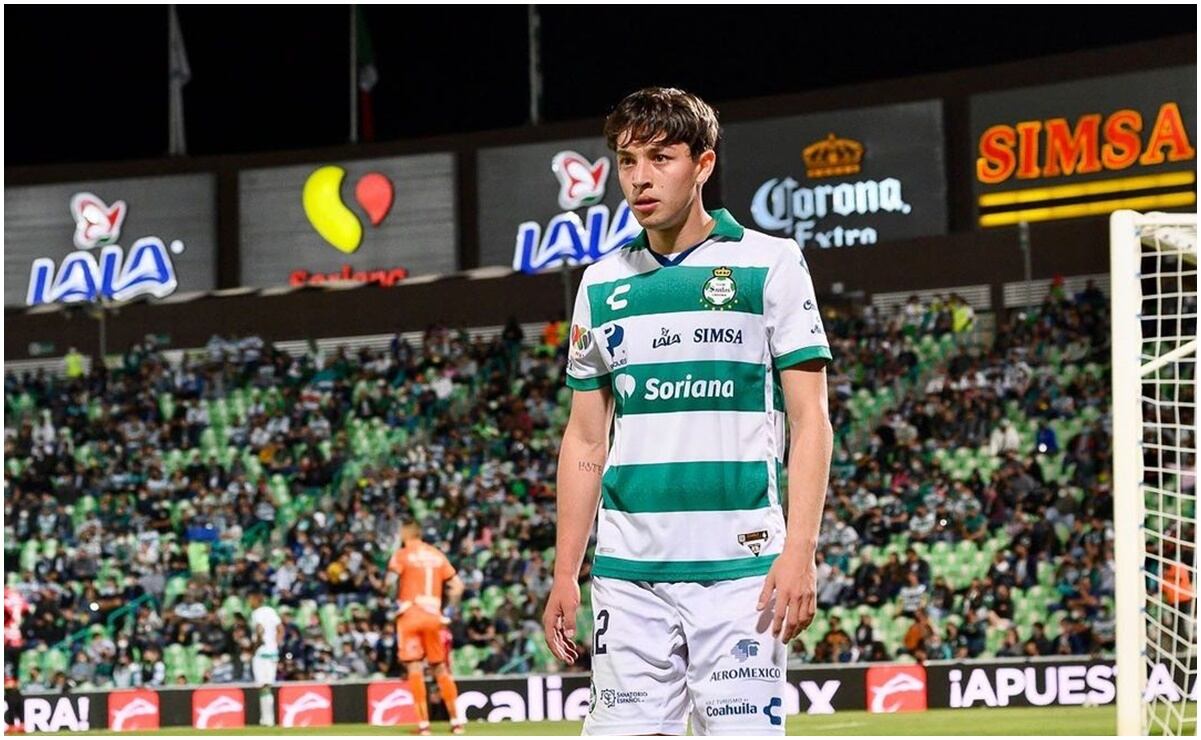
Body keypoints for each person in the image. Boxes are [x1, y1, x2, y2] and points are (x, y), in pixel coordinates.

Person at [542, 87, 833, 736]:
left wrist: (801, 549)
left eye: (660, 158)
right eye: (627, 161)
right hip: (627, 577)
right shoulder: (600, 284)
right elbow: (585, 439)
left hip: (742, 575)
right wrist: (565, 572)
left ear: (702, 164)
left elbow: (811, 420)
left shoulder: (770, 263)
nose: (639, 178)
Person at [388, 519, 466, 735]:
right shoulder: (436, 555)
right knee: (440, 667)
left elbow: (389, 582)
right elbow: (458, 586)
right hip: (433, 615)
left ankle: (424, 726)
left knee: (414, 668)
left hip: (410, 614)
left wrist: (393, 601)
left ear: (406, 533)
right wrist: (447, 612)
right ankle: (456, 722)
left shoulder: (402, 554)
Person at [248, 589, 282, 727]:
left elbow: (260, 629)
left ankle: (266, 719)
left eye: (251, 600)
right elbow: (280, 629)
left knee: (262, 685)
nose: (249, 603)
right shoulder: (271, 611)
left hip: (261, 653)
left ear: (257, 600)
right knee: (268, 685)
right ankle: (268, 719)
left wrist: (255, 646)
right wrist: (275, 645)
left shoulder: (256, 613)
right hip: (272, 653)